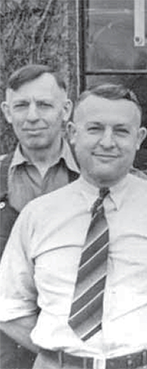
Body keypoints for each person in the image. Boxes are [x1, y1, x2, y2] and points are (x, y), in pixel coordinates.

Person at [0, 84, 147, 369]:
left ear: (139, 138)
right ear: (72, 134)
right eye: (94, 129)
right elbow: (10, 306)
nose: (107, 141)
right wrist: (64, 357)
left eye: (121, 131)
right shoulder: (37, 215)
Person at [0, 64, 78, 369]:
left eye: (44, 104)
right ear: (7, 112)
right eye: (21, 106)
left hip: (79, 345)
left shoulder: (97, 177)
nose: (32, 116)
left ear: (66, 109)